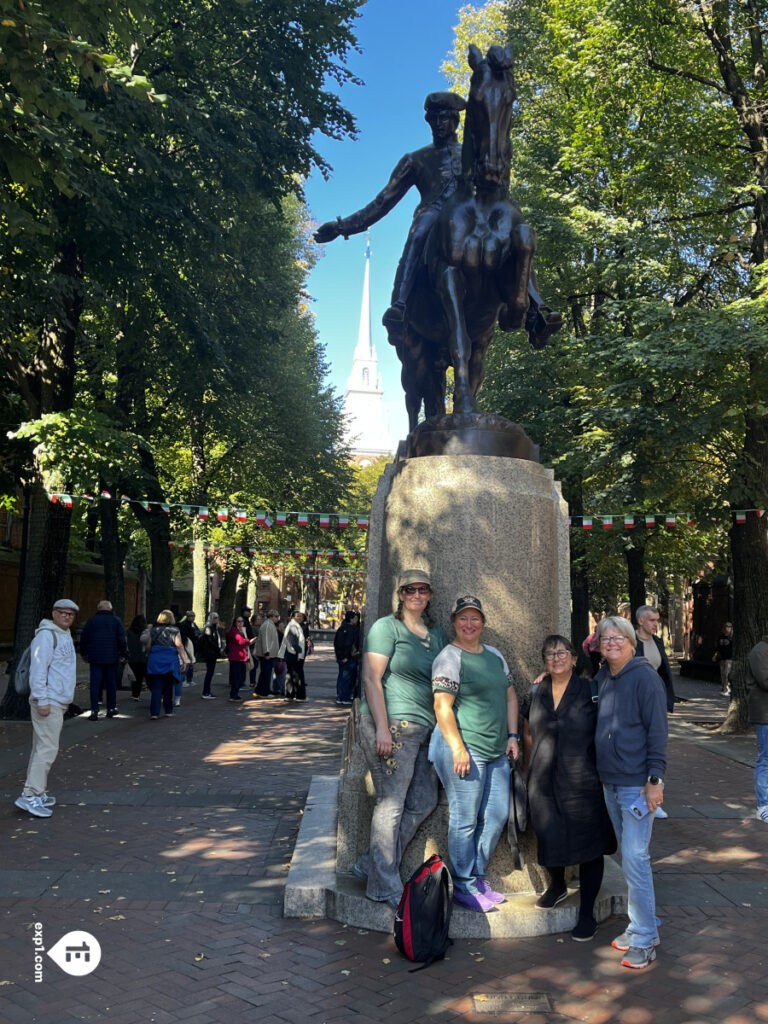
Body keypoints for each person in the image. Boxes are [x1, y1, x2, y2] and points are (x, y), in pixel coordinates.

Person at [315, 92, 467, 343]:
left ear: (455, 120)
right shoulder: (415, 160)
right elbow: (382, 202)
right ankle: (400, 305)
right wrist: (342, 227)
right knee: (418, 235)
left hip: (468, 214)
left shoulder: (473, 155)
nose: (438, 124)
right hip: (433, 211)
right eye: (433, 119)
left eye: (444, 118)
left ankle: (530, 303)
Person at [355, 569, 447, 908]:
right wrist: (381, 727)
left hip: (426, 729)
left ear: (430, 595)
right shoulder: (386, 628)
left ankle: (371, 865)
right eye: (410, 590)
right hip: (392, 725)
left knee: (424, 801)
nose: (417, 595)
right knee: (391, 804)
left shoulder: (436, 634)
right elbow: (371, 678)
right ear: (400, 594)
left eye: (423, 590)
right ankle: (383, 886)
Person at [523, 635, 616, 940]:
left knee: (590, 845)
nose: (557, 658)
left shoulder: (591, 691)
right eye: (550, 654)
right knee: (549, 836)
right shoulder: (536, 691)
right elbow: (527, 731)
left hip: (583, 779)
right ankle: (558, 886)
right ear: (544, 661)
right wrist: (529, 766)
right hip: (543, 779)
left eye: (563, 652)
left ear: (574, 658)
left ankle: (587, 912)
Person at [429, 595, 519, 913]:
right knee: (465, 820)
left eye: (475, 618)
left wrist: (513, 735)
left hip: (496, 750)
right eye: (463, 618)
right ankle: (463, 884)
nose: (469, 624)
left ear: (483, 622)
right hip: (463, 747)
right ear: (454, 622)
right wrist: (457, 747)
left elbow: (510, 697)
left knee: (496, 815)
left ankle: (477, 875)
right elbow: (442, 706)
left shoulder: (495, 655)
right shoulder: (449, 657)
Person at [594, 615, 668, 969]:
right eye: (605, 638)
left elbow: (658, 732)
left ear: (631, 642)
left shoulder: (645, 678)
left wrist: (655, 780)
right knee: (630, 858)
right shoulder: (603, 678)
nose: (611, 643)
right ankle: (642, 925)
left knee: (637, 859)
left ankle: (645, 939)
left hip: (637, 785)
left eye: (618, 637)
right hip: (610, 782)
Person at [14, 598, 79, 818]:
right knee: (47, 750)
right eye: (62, 612)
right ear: (54, 613)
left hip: (56, 700)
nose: (66, 617)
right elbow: (38, 670)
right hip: (49, 701)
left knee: (41, 748)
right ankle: (31, 795)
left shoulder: (64, 634)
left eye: (71, 614)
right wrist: (42, 699)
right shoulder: (46, 636)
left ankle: (35, 791)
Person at [78, 599, 128, 721]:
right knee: (111, 684)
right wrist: (124, 653)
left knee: (95, 684)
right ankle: (111, 708)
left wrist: (84, 654)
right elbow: (121, 638)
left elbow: (84, 638)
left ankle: (94, 710)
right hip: (112, 656)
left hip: (95, 657)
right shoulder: (116, 621)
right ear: (110, 608)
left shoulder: (91, 621)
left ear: (98, 608)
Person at [142, 610, 187, 720]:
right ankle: (168, 711)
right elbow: (179, 645)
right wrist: (184, 660)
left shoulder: (153, 630)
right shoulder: (175, 630)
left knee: (156, 687)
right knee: (168, 686)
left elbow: (148, 646)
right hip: (169, 661)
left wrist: (149, 654)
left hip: (155, 660)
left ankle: (154, 713)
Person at [634, 605, 676, 713]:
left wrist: (667, 701)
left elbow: (664, 674)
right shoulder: (629, 643)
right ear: (640, 621)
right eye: (652, 620)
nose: (656, 624)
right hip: (634, 701)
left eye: (657, 620)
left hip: (656, 700)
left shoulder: (658, 642)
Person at [746, 637, 768, 823]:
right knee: (765, 759)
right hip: (764, 714)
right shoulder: (760, 651)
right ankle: (763, 805)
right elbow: (765, 680)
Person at [279, 610, 308, 702]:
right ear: (293, 617)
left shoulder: (295, 625)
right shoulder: (293, 626)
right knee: (297, 675)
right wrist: (300, 651)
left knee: (291, 675)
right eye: (297, 616)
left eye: (301, 616)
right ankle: (299, 696)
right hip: (293, 654)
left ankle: (289, 695)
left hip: (292, 654)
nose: (299, 618)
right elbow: (293, 641)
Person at [334, 610, 360, 705]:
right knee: (346, 678)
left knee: (342, 677)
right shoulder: (349, 630)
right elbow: (343, 644)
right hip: (348, 657)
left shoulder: (343, 628)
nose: (357, 620)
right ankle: (344, 697)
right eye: (355, 618)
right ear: (351, 619)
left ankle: (341, 696)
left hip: (345, 657)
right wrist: (345, 656)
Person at [197, 612, 225, 699]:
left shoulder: (215, 628)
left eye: (217, 617)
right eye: (215, 618)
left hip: (213, 653)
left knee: (210, 672)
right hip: (210, 653)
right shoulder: (209, 628)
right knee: (209, 672)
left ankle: (207, 691)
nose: (217, 619)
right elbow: (210, 640)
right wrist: (218, 649)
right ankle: (206, 692)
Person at [254, 610, 280, 699]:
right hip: (267, 654)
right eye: (276, 616)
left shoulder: (269, 624)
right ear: (271, 616)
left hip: (269, 654)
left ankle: (260, 690)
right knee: (266, 673)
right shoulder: (268, 625)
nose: (277, 618)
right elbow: (266, 640)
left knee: (264, 673)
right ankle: (264, 692)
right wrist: (266, 652)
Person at [226, 615, 252, 702]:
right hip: (235, 657)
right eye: (239, 621)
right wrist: (250, 641)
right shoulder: (234, 631)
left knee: (239, 676)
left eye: (242, 621)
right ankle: (233, 695)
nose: (241, 623)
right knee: (236, 677)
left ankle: (235, 694)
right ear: (235, 622)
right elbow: (240, 641)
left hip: (240, 657)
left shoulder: (241, 630)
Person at [126, 615, 148, 700]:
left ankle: (135, 694)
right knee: (145, 676)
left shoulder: (129, 632)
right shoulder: (145, 632)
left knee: (135, 677)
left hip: (133, 657)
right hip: (143, 657)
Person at [178, 611, 200, 687]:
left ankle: (190, 679)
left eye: (194, 616)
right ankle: (184, 679)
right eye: (191, 616)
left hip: (194, 645)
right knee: (187, 662)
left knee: (192, 662)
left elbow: (198, 632)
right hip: (187, 644)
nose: (193, 618)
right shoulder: (184, 625)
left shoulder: (194, 625)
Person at [714, 622, 734, 697]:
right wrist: (715, 655)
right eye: (727, 626)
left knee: (727, 673)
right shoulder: (721, 636)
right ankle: (724, 688)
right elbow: (718, 647)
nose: (728, 628)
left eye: (730, 627)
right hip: (722, 657)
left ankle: (727, 689)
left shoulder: (732, 637)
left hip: (729, 658)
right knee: (722, 674)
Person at [272, 620, 287, 697]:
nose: (283, 627)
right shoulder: (279, 635)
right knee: (281, 674)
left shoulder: (280, 634)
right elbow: (280, 646)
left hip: (279, 657)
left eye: (283, 626)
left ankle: (276, 689)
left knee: (277, 673)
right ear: (277, 627)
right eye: (281, 626)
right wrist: (280, 657)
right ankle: (282, 689)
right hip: (280, 657)